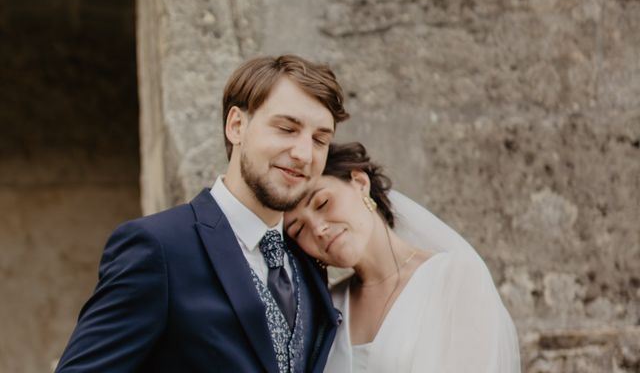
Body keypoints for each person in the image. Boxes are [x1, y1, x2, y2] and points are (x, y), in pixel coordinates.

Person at [55, 55, 349, 373]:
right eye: (286, 129)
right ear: (236, 126)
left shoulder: (306, 258)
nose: (304, 154)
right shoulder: (158, 248)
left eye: (320, 140)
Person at [284, 142, 521, 372]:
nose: (318, 229)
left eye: (322, 203)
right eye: (299, 230)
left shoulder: (455, 279)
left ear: (359, 183)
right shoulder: (327, 308)